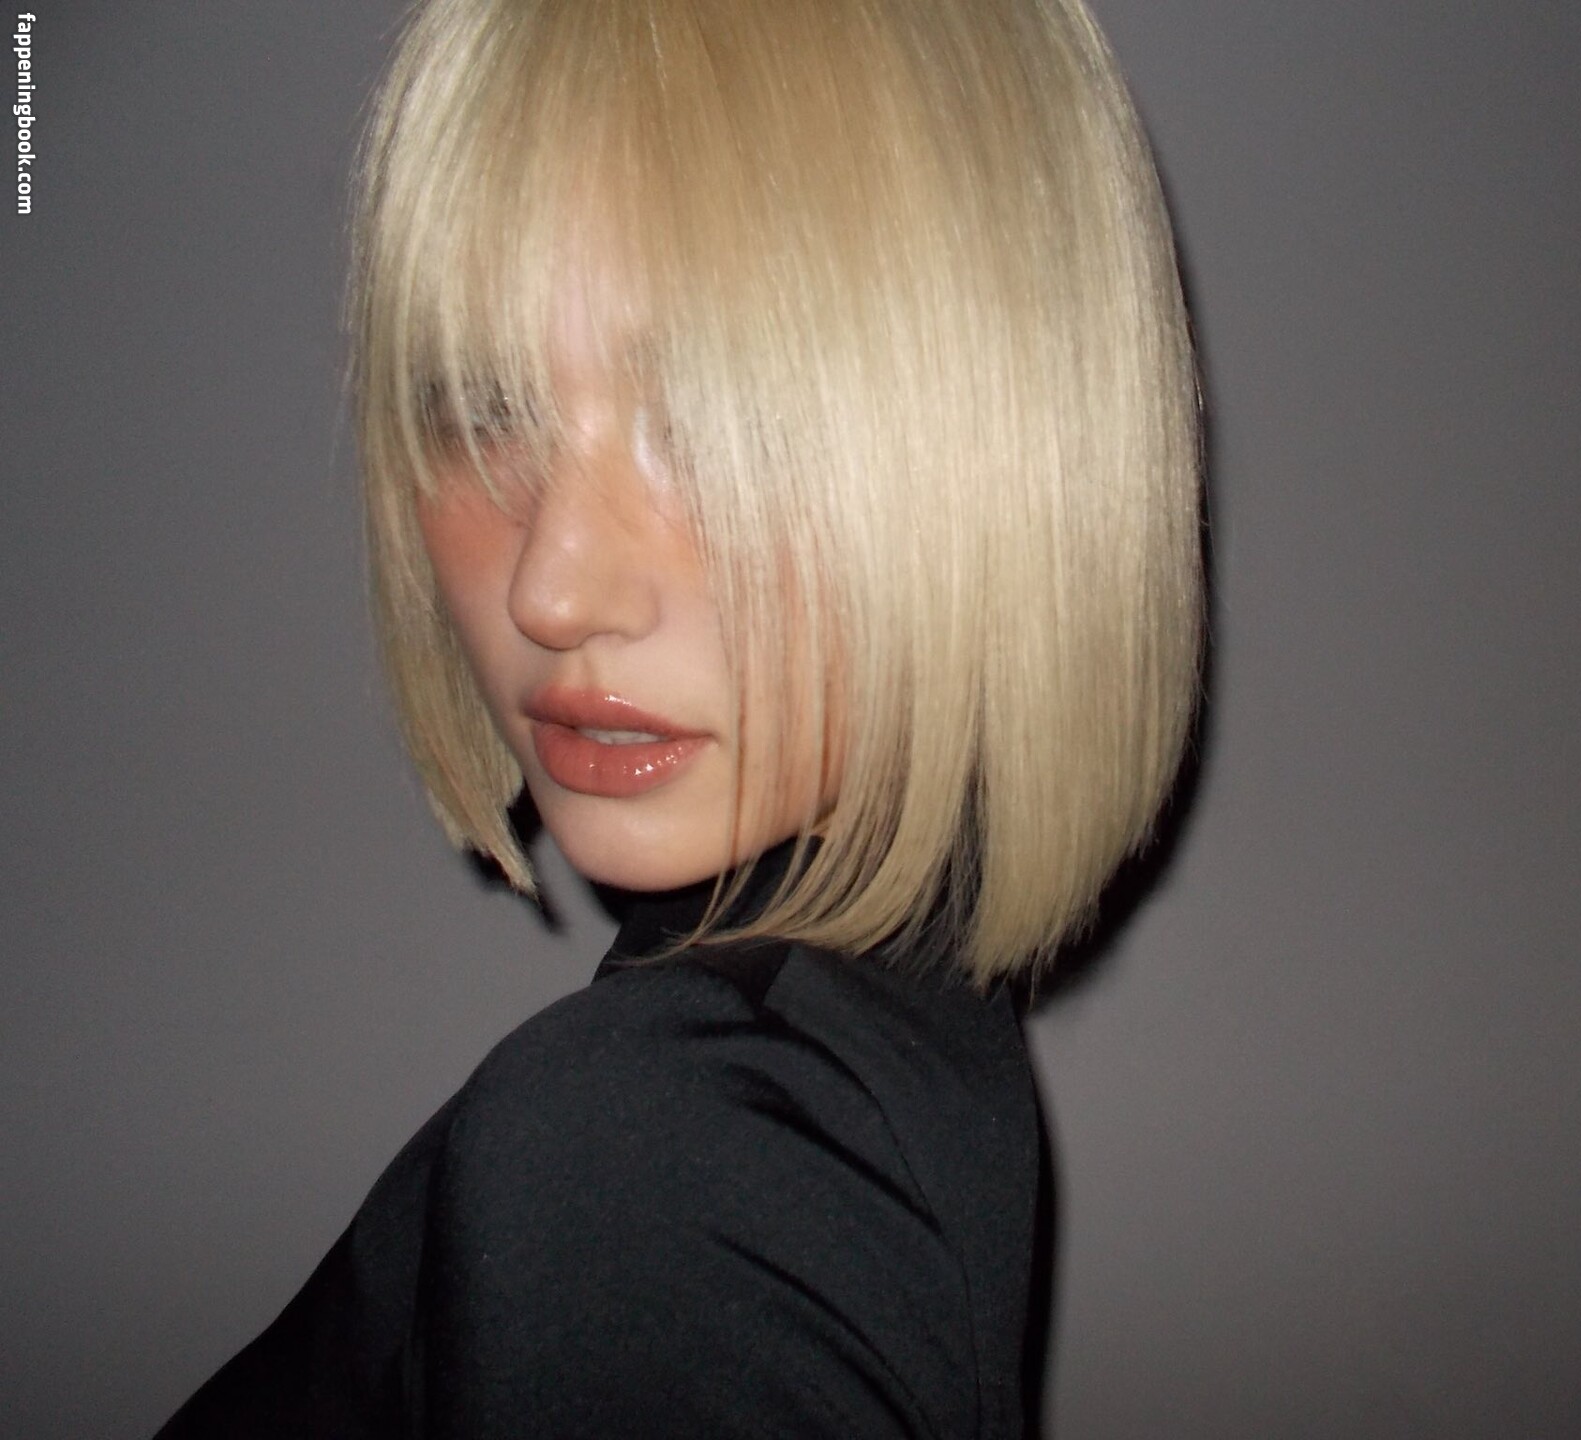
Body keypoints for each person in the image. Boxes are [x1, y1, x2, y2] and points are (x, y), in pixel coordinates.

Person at [157, 0, 1201, 1433]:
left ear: (997, 443)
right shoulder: (879, 1055)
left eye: (713, 417)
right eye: (486, 405)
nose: (551, 586)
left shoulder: (656, 1158)